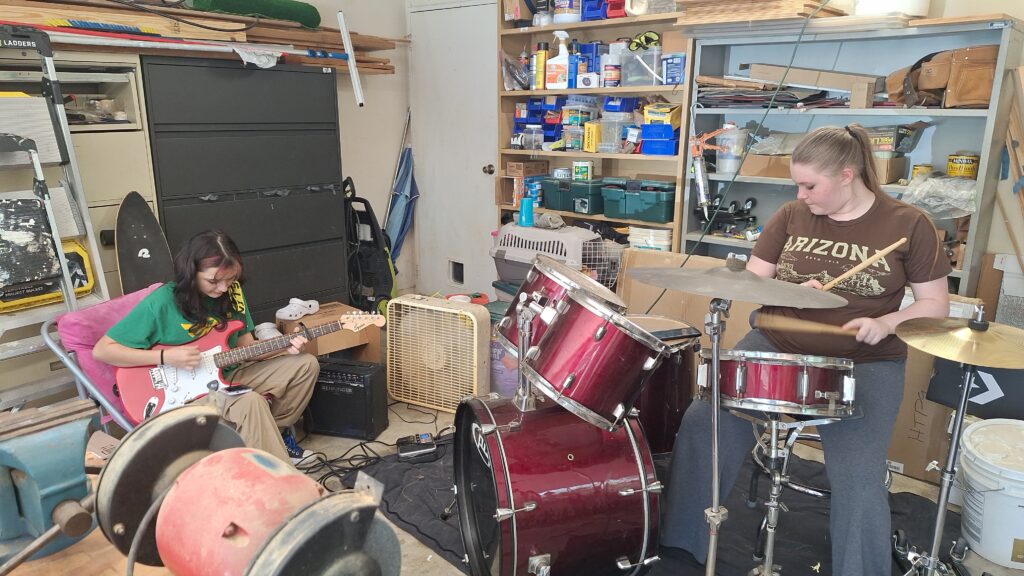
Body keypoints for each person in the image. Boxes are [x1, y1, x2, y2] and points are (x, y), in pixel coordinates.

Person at [661, 124, 951, 576]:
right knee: (705, 422)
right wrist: (791, 291)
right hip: (777, 341)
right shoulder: (793, 215)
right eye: (798, 184)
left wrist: (885, 323)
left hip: (863, 360)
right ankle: (682, 545)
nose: (801, 195)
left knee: (858, 473)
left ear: (847, 175)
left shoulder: (909, 224)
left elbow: (935, 304)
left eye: (810, 185)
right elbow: (753, 280)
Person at [94, 230, 319, 464]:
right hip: (187, 394)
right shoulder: (162, 302)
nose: (223, 287)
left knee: (305, 365)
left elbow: (247, 347)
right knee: (250, 401)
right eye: (213, 281)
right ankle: (275, 473)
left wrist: (285, 345)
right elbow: (103, 350)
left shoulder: (232, 292)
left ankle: (271, 439)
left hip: (228, 374)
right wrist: (165, 357)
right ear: (191, 272)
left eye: (230, 279)